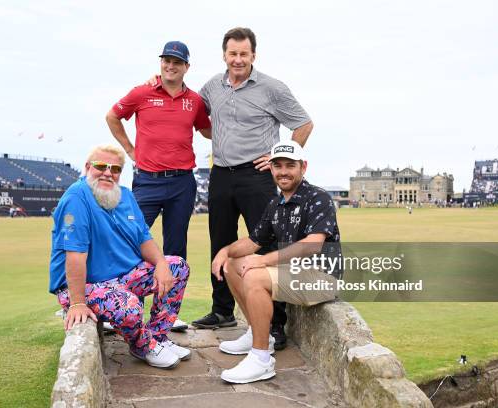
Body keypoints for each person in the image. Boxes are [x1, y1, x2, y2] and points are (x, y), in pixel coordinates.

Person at [191, 28, 314, 350]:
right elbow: (196, 115)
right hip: (220, 173)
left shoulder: (272, 88)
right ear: (224, 55)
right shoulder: (211, 87)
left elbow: (303, 123)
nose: (238, 60)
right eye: (233, 54)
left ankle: (274, 324)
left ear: (253, 56)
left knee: (263, 244)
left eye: (244, 54)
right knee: (221, 242)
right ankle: (222, 312)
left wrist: (277, 156)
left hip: (256, 177)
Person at [49, 144, 191, 369]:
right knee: (128, 305)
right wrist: (77, 303)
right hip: (83, 285)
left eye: (115, 169)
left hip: (122, 276)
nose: (108, 172)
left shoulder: (125, 195)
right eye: (101, 166)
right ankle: (143, 346)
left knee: (177, 267)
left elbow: (143, 238)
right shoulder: (76, 198)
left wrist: (162, 263)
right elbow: (75, 255)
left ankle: (158, 338)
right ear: (87, 167)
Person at [211, 141, 341, 383]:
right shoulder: (276, 203)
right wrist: (225, 251)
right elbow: (253, 241)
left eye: (290, 166)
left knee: (254, 274)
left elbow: (313, 243)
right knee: (232, 265)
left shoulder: (317, 197)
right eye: (278, 165)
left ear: (303, 167)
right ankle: (257, 333)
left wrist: (265, 261)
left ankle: (261, 359)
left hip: (321, 278)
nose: (283, 171)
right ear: (270, 169)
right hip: (294, 273)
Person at [106, 41, 211, 261]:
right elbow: (112, 116)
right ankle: (132, 297)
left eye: (177, 62)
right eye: (166, 61)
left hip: (182, 183)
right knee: (131, 239)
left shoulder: (195, 101)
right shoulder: (141, 93)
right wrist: (129, 149)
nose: (170, 66)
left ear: (186, 67)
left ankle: (171, 297)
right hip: (148, 181)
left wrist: (237, 130)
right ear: (161, 63)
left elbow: (205, 130)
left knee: (176, 248)